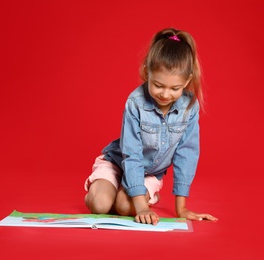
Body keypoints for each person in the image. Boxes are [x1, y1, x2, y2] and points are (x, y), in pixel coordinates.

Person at [84, 27, 218, 225]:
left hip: (150, 173)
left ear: (187, 81)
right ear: (147, 72)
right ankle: (103, 188)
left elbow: (187, 154)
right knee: (101, 205)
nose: (165, 94)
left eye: (174, 88)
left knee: (123, 206)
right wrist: (142, 207)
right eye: (158, 85)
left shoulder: (190, 107)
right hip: (118, 163)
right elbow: (132, 154)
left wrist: (181, 208)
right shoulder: (136, 102)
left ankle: (131, 194)